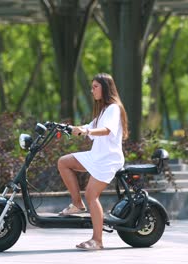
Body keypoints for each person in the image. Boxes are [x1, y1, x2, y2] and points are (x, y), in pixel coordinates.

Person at [57, 73, 128, 250]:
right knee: (64, 162)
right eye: (92, 87)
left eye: (95, 86)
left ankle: (97, 240)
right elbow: (89, 127)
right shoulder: (103, 110)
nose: (92, 90)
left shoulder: (113, 108)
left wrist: (86, 132)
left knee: (91, 195)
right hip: (96, 155)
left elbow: (105, 130)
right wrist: (72, 128)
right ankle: (77, 204)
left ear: (105, 87)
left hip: (108, 160)